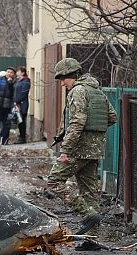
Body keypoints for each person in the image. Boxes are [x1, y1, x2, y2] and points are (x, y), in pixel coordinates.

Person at [47, 57, 117, 235]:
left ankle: (87, 215)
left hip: (78, 148)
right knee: (89, 191)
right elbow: (111, 117)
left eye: (63, 79)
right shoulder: (96, 91)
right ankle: (92, 237)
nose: (62, 84)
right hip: (95, 149)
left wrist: (66, 149)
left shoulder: (77, 91)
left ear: (73, 75)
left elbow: (77, 122)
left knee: (54, 181)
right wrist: (93, 134)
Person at [0, 68, 15, 145]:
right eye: (8, 72)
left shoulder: (14, 82)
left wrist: (10, 83)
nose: (9, 73)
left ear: (13, 75)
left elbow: (14, 93)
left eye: (11, 72)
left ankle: (4, 141)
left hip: (8, 107)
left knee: (6, 125)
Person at [14, 66, 31, 143]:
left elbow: (23, 93)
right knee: (19, 121)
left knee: (22, 121)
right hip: (18, 104)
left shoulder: (26, 81)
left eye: (18, 71)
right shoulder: (19, 81)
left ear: (23, 72)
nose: (17, 73)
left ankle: (22, 137)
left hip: (22, 104)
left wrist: (17, 101)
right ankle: (21, 136)